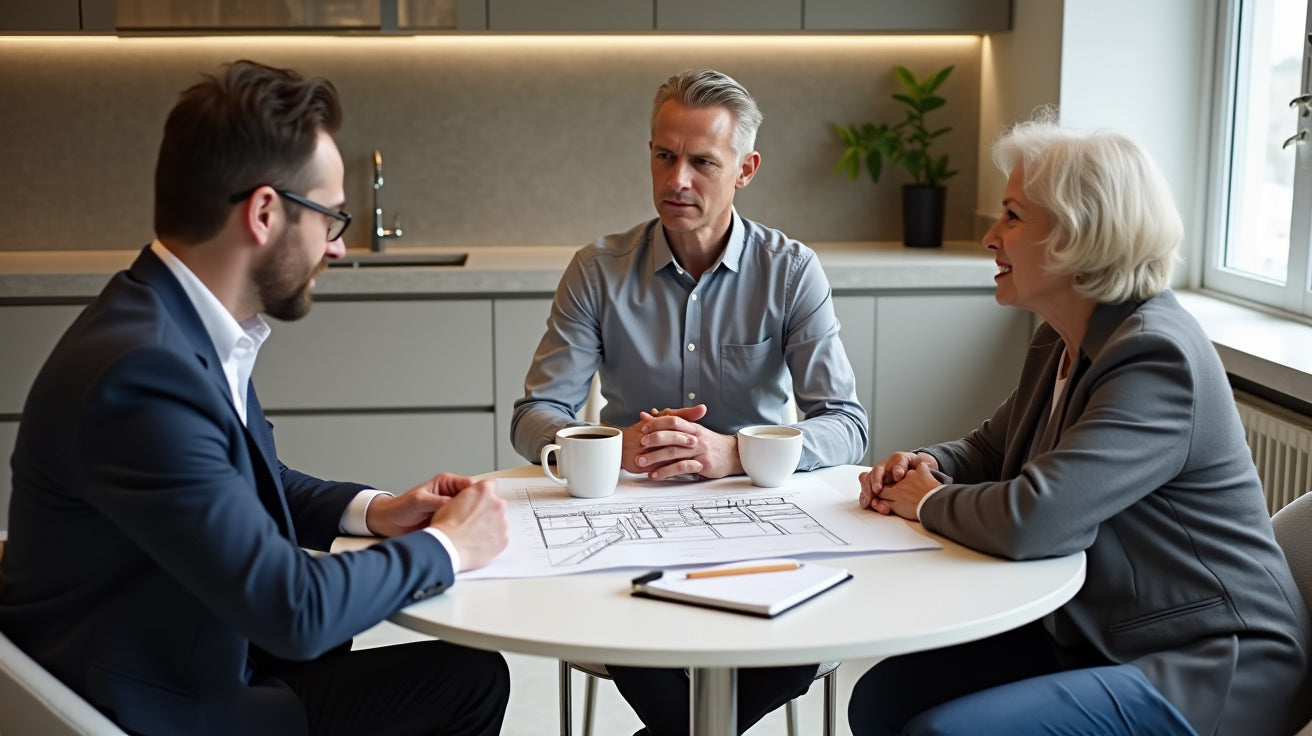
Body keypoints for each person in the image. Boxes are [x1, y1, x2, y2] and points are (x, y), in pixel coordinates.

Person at [0, 60, 511, 736]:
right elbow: (293, 612)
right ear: (265, 212)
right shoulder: (141, 375)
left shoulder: (164, 322)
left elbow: (238, 483)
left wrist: (379, 512)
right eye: (331, 218)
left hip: (179, 654)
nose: (336, 247)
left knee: (463, 672)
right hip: (165, 705)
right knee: (469, 682)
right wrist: (449, 547)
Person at [850, 116, 1312, 736]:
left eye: (1012, 216)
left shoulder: (1156, 355)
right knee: (884, 697)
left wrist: (928, 502)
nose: (991, 236)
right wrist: (925, 464)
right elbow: (989, 450)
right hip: (1104, 631)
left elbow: (1036, 519)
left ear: (1079, 234)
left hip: (1208, 662)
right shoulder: (1064, 338)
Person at [512, 69, 868, 736]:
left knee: (798, 651)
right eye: (664, 156)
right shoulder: (598, 270)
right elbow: (535, 415)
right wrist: (610, 446)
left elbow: (846, 425)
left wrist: (734, 450)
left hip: (761, 529)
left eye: (703, 162)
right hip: (627, 536)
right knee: (632, 642)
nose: (677, 180)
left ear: (745, 169)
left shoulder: (791, 271)